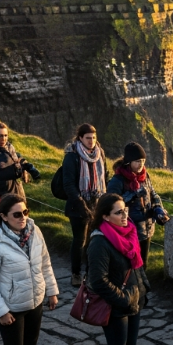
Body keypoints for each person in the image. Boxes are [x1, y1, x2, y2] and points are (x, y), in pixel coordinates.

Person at [0, 194, 59, 345]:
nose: (23, 218)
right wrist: (1, 312)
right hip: (12, 308)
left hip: (36, 302)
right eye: (16, 214)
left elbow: (45, 263)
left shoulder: (35, 231)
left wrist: (52, 291)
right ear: (4, 216)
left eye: (25, 212)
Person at [85, 193, 150, 345]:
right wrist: (123, 299)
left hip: (134, 299)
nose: (125, 215)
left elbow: (135, 265)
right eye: (119, 212)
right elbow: (98, 280)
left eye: (125, 210)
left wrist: (143, 288)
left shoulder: (129, 233)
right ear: (105, 216)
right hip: (115, 307)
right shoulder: (99, 243)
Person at [107, 142, 169, 268]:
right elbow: (111, 203)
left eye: (143, 161)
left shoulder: (145, 176)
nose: (141, 164)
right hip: (128, 229)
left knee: (143, 263)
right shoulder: (118, 180)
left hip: (146, 227)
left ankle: (141, 281)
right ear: (128, 162)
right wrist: (134, 195)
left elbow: (153, 194)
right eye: (137, 161)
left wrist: (158, 208)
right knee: (129, 264)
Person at [63, 123, 107, 286]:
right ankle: (75, 273)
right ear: (80, 138)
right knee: (79, 240)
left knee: (94, 240)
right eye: (88, 138)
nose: (91, 141)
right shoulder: (72, 156)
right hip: (77, 205)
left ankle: (91, 272)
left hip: (96, 203)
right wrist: (81, 203)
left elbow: (105, 176)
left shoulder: (99, 153)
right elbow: (68, 184)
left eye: (94, 138)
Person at [0, 122, 40, 199]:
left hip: (16, 188)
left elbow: (17, 159)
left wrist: (26, 167)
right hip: (0, 192)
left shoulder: (9, 146)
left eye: (5, 135)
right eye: (0, 136)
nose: (3, 138)